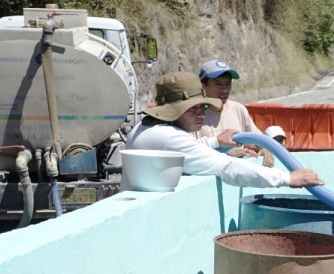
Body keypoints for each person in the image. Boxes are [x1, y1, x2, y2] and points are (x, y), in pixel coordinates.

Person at [125, 71, 322, 189]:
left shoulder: (144, 128)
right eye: (192, 108)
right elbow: (226, 167)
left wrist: (215, 141)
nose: (201, 114)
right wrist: (287, 178)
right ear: (173, 111)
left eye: (203, 107)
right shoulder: (171, 138)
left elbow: (189, 148)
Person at [196, 59, 274, 167]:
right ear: (203, 85)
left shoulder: (238, 109)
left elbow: (258, 139)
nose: (224, 90)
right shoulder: (193, 114)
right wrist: (226, 155)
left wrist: (265, 149)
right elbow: (189, 152)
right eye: (218, 84)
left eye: (228, 84)